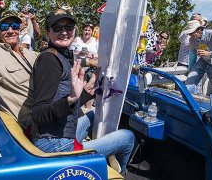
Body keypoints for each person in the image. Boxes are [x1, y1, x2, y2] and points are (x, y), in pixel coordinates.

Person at [30, 9, 134, 174]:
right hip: (53, 143)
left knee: (93, 115)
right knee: (128, 137)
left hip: (60, 132)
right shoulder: (49, 60)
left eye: (69, 27)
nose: (64, 32)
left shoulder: (63, 55)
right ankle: (118, 174)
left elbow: (65, 98)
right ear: (48, 32)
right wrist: (71, 99)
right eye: (57, 28)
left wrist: (89, 87)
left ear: (75, 30)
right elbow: (38, 114)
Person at [183, 20, 212, 94]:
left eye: (192, 32)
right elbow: (192, 55)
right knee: (190, 81)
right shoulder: (192, 40)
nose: (191, 35)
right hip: (204, 60)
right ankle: (187, 99)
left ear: (199, 29)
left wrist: (210, 53)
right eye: (189, 33)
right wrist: (190, 69)